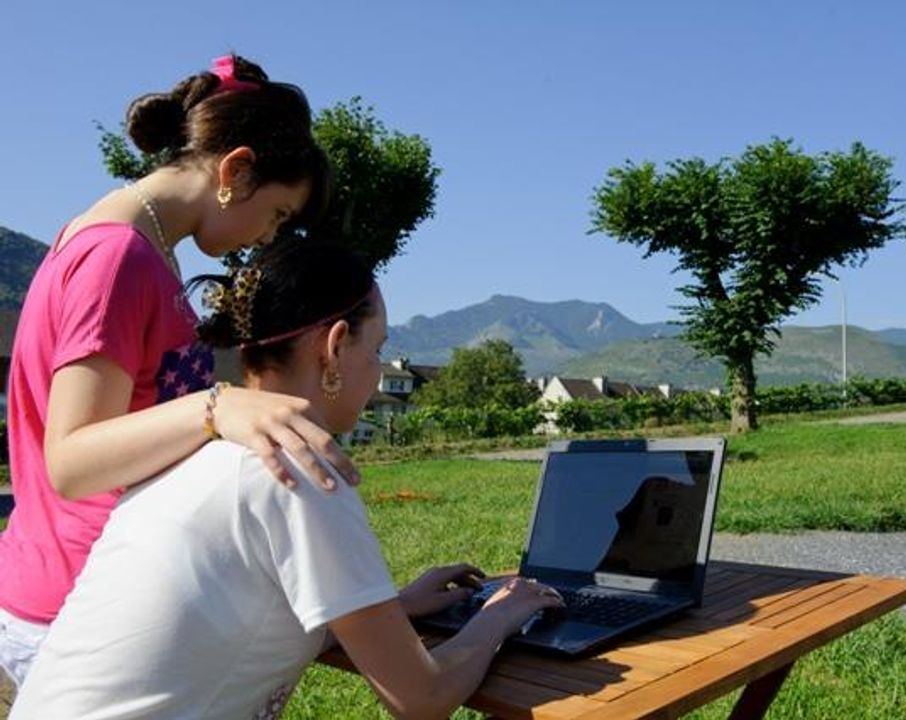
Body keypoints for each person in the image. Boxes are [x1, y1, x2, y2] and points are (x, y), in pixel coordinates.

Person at [11, 239, 563, 720]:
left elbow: (237, 624)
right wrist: (499, 618)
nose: (377, 369)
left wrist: (394, 607)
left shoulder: (193, 453)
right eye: (377, 348)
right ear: (335, 345)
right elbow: (421, 698)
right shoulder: (294, 468)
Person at [0, 54, 360, 687]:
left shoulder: (135, 248)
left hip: (93, 581)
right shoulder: (116, 257)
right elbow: (72, 461)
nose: (262, 238)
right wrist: (216, 407)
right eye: (276, 215)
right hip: (77, 595)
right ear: (236, 171)